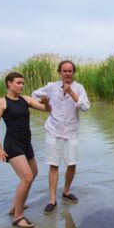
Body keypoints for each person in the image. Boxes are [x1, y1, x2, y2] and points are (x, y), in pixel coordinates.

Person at [0, 72, 51, 228]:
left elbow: (45, 109)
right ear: (9, 84)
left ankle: (16, 206)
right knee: (27, 178)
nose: (21, 85)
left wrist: (47, 103)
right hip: (12, 144)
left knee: (33, 173)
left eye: (22, 83)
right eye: (18, 83)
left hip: (26, 143)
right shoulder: (1, 102)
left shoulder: (26, 99)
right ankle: (18, 217)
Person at [31, 60, 90, 214]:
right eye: (64, 71)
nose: (67, 74)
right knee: (53, 165)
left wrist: (71, 93)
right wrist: (42, 102)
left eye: (70, 71)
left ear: (73, 72)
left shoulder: (79, 88)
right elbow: (33, 95)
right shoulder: (51, 87)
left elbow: (85, 107)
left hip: (71, 132)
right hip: (53, 130)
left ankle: (66, 190)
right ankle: (52, 199)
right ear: (60, 72)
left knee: (72, 164)